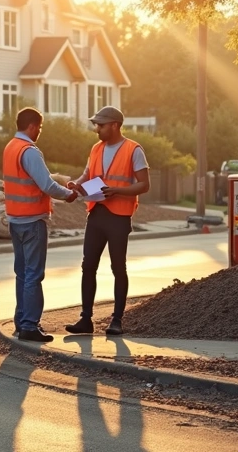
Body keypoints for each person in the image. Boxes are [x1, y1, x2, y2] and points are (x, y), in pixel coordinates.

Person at [65, 106, 151, 336]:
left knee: (117, 268)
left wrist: (117, 191)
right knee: (88, 266)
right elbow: (87, 175)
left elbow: (144, 184)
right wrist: (76, 184)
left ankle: (117, 320)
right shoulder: (96, 148)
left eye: (101, 125)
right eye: (96, 125)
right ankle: (86, 320)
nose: (97, 129)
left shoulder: (134, 150)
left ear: (114, 125)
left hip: (119, 217)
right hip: (97, 213)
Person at [4, 107, 78, 343]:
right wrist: (68, 195)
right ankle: (29, 325)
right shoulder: (30, 151)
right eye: (40, 128)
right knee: (34, 275)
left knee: (22, 273)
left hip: (15, 220)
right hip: (33, 221)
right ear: (33, 126)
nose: (40, 132)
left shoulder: (10, 148)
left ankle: (21, 320)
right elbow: (47, 185)